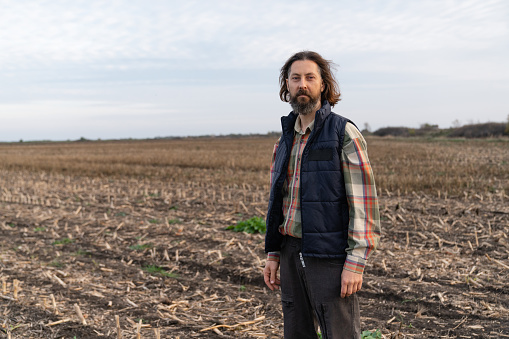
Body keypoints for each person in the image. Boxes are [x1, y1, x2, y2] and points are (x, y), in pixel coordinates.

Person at [263, 51, 381, 339]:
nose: (302, 84)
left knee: (338, 333)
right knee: (296, 331)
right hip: (291, 251)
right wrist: (274, 252)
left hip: (329, 255)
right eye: (295, 78)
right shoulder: (284, 139)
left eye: (310, 77)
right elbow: (279, 201)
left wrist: (355, 263)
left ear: (323, 85)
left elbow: (363, 202)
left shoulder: (343, 133)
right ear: (287, 86)